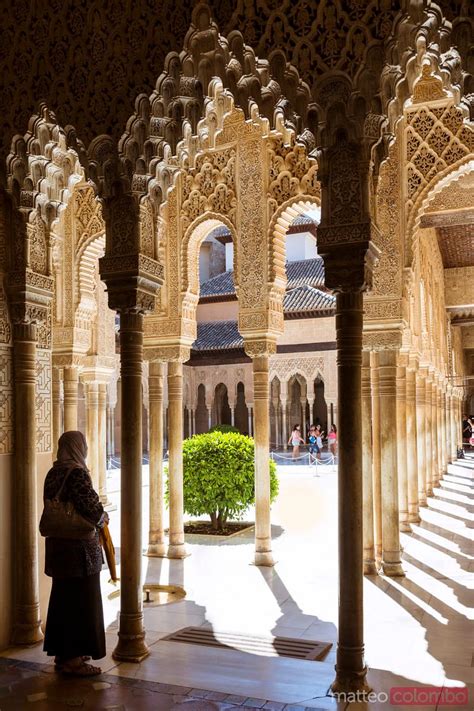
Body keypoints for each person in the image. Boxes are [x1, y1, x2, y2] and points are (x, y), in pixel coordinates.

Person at [43, 431, 108, 676]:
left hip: (57, 547)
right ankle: (73, 662)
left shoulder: (53, 472)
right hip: (78, 550)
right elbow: (89, 505)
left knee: (63, 600)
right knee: (81, 602)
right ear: (79, 448)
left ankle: (64, 654)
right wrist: (102, 518)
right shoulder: (77, 473)